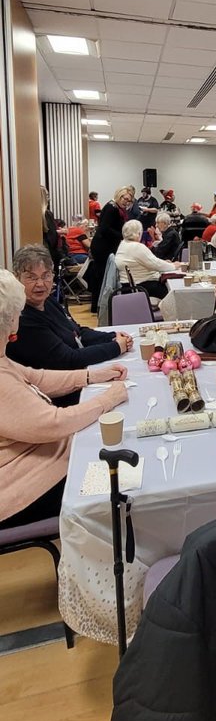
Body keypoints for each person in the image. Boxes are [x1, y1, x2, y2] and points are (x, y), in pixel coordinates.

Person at [0, 269, 128, 529]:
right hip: (18, 489)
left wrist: (92, 376)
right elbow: (53, 423)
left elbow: (38, 378)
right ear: (11, 317)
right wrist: (107, 400)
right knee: (123, 479)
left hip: (34, 462)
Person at [6, 245, 132, 402]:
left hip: (79, 378)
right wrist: (116, 347)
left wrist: (112, 337)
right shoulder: (23, 319)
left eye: (46, 276)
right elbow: (68, 359)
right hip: (57, 397)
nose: (40, 283)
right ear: (16, 278)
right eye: (32, 277)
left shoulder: (48, 301)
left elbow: (77, 332)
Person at [88, 186, 134, 311]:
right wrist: (122, 235)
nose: (126, 202)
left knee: (102, 275)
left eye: (129, 200)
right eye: (125, 199)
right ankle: (98, 305)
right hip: (103, 246)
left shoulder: (115, 208)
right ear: (119, 195)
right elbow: (104, 228)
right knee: (102, 276)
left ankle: (98, 305)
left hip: (105, 245)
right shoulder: (111, 208)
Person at [115, 219, 181, 300]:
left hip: (128, 286)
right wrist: (174, 266)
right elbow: (155, 264)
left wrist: (164, 262)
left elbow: (150, 261)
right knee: (173, 292)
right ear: (139, 233)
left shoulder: (123, 245)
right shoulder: (137, 247)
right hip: (142, 286)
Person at [41, 186, 60, 274]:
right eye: (47, 195)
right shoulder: (47, 214)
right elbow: (53, 238)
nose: (49, 199)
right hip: (48, 251)